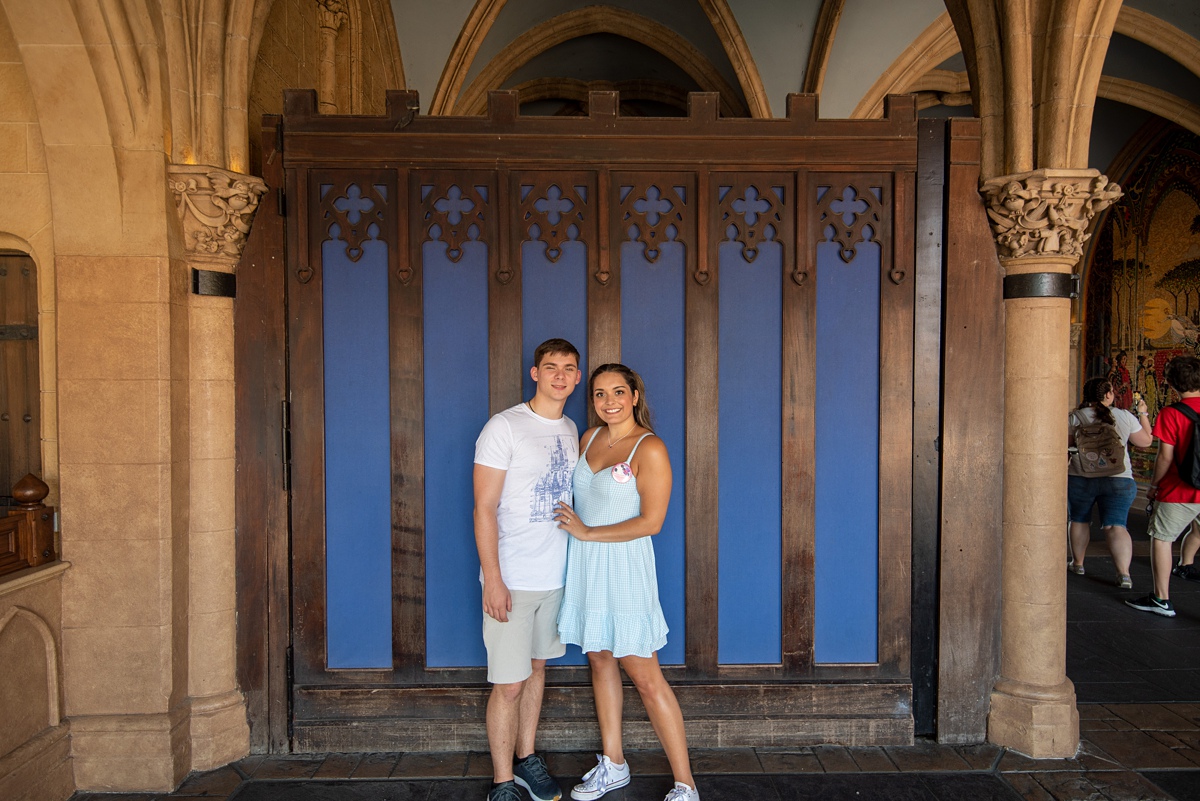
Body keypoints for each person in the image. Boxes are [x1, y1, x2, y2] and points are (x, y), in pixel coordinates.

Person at [554, 364, 700, 801]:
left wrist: (588, 532)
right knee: (599, 658)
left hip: (625, 567)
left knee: (646, 675)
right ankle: (614, 764)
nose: (609, 402)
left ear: (635, 395)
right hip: (587, 567)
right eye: (599, 394)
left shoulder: (649, 448)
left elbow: (652, 522)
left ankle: (685, 784)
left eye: (618, 392)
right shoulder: (589, 439)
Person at [474, 338, 583, 801]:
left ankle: (527, 760)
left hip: (554, 579)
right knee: (509, 683)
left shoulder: (572, 427)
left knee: (537, 670)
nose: (560, 375)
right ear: (535, 373)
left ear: (578, 378)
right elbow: (484, 507)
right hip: (512, 580)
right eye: (551, 367)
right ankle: (502, 782)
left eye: (569, 368)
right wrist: (493, 579)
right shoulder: (504, 427)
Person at [1131, 354, 1200, 616]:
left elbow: (1165, 456)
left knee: (1161, 539)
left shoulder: (1171, 413)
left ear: (1172, 384)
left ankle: (1161, 599)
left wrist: (1153, 485)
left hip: (1179, 489)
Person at [1067, 376, 1152, 587]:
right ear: (1108, 395)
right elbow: (1145, 442)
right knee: (1116, 526)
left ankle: (1077, 563)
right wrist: (1143, 414)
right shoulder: (1124, 416)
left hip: (1081, 477)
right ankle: (1124, 573)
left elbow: (1065, 447)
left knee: (1079, 519)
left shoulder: (1075, 418)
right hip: (1119, 479)